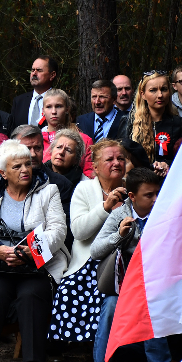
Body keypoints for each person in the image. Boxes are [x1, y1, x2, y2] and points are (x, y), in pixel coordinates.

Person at [0, 140, 69, 362]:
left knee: (31, 294)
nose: (25, 170)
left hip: (38, 265)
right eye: (17, 167)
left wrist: (29, 253)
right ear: (3, 173)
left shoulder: (49, 191)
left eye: (28, 164)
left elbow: (58, 231)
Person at [88, 167, 170, 362]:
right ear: (132, 197)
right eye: (148, 195)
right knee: (111, 307)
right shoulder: (119, 214)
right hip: (122, 284)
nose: (155, 199)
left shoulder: (164, 215)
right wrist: (119, 235)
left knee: (151, 308)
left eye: (157, 193)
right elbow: (95, 251)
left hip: (155, 283)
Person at [48, 140, 127, 347]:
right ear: (95, 166)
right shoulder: (84, 188)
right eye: (109, 159)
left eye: (120, 158)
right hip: (88, 261)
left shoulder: (133, 189)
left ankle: (106, 348)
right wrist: (105, 207)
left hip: (124, 262)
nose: (116, 163)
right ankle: (80, 346)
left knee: (107, 293)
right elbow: (79, 232)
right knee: (70, 289)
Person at [116, 71, 182, 176]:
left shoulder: (178, 123)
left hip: (169, 181)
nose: (160, 95)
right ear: (143, 94)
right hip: (138, 182)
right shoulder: (128, 122)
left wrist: (167, 164)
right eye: (153, 90)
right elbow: (121, 157)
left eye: (164, 89)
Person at [41, 89, 93, 177]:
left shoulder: (84, 140)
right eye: (49, 107)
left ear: (67, 109)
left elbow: (89, 173)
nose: (53, 111)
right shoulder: (35, 140)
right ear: (43, 111)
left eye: (58, 106)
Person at [9, 55, 59, 129]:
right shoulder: (19, 101)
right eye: (32, 70)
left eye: (39, 70)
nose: (34, 73)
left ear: (52, 75)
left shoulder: (60, 101)